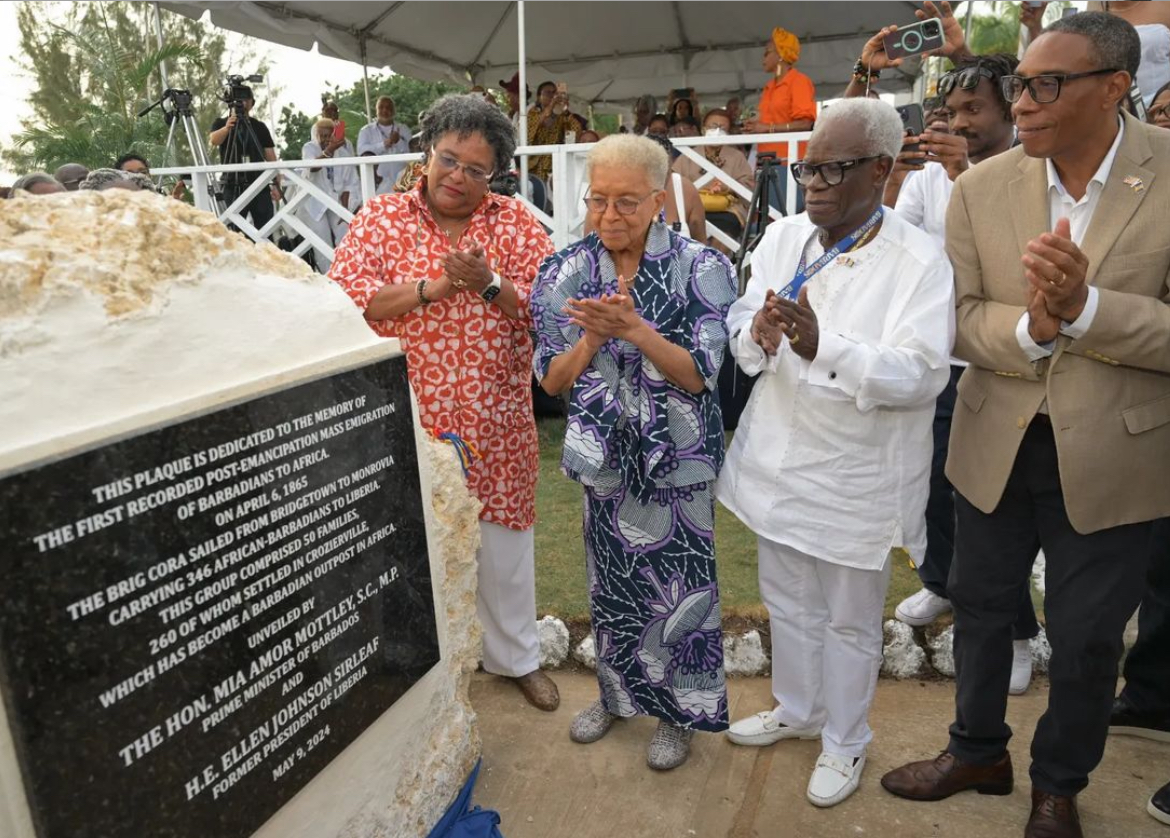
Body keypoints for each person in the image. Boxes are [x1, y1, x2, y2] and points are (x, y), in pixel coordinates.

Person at [880, 14, 1170, 838]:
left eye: (1048, 84)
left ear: (1114, 87)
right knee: (981, 607)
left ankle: (1057, 785)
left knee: (1083, 640)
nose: (1025, 103)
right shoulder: (980, 187)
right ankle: (975, 750)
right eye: (1020, 86)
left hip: (1118, 451)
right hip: (995, 437)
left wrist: (1088, 311)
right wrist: (1035, 330)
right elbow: (959, 321)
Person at [717, 98, 954, 809]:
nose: (814, 184)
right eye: (809, 168)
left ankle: (845, 740)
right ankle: (798, 710)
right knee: (787, 603)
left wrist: (827, 347)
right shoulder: (786, 236)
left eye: (833, 169)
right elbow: (740, 316)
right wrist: (755, 332)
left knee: (850, 621)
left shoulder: (918, 260)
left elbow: (921, 373)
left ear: (881, 170)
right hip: (777, 463)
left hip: (857, 475)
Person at [329, 94, 560, 713]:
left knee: (504, 545)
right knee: (406, 545)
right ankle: (413, 668)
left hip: (496, 418)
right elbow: (350, 302)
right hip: (405, 420)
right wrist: (435, 288)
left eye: (476, 169)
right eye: (449, 160)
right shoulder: (379, 220)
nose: (458, 177)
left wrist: (488, 283)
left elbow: (547, 310)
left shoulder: (514, 223)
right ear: (427, 151)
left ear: (497, 174)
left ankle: (516, 659)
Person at [530, 133, 736, 771]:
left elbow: (699, 375)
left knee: (682, 591)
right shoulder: (565, 270)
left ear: (657, 201)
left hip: (677, 458)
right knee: (612, 586)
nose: (609, 216)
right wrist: (592, 341)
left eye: (626, 202)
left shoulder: (703, 268)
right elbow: (552, 381)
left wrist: (635, 329)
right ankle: (616, 698)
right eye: (598, 200)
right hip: (606, 459)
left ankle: (680, 715)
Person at [877, 54, 1043, 695]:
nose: (960, 122)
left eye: (975, 110)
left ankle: (1017, 634)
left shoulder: (1035, 169)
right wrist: (891, 186)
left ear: (1010, 109)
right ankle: (940, 583)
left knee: (995, 506)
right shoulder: (926, 179)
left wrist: (963, 172)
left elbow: (1017, 252)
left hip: (1002, 361)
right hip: (936, 355)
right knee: (926, 488)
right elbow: (909, 248)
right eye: (951, 112)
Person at [743, 25, 816, 208]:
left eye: (767, 53)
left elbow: (806, 123)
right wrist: (756, 126)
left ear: (781, 55)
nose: (763, 58)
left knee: (784, 215)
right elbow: (771, 121)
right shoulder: (769, 86)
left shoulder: (799, 81)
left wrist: (767, 128)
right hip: (766, 161)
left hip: (788, 162)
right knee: (767, 218)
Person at [671, 108, 754, 241]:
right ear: (703, 129)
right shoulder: (689, 154)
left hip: (727, 209)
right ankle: (698, 260)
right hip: (693, 208)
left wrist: (727, 188)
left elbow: (749, 185)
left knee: (728, 227)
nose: (717, 130)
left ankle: (716, 261)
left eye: (722, 128)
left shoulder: (736, 156)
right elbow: (672, 182)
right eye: (713, 126)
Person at [208, 87, 280, 232]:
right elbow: (214, 140)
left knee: (266, 231)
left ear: (252, 103)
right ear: (230, 103)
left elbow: (271, 158)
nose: (242, 103)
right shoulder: (221, 123)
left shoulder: (259, 126)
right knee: (230, 231)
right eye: (238, 100)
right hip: (231, 182)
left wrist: (277, 185)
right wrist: (227, 128)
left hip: (259, 184)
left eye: (245, 100)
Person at [298, 117, 357, 272]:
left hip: (335, 201)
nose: (324, 139)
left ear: (334, 135)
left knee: (345, 234)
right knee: (322, 242)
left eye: (327, 135)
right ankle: (327, 278)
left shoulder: (343, 154)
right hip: (313, 202)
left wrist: (344, 211)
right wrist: (328, 151)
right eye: (321, 136)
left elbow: (349, 183)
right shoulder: (309, 148)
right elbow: (311, 168)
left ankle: (347, 273)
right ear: (316, 135)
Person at [357, 96, 412, 196]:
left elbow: (412, 153)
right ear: (376, 110)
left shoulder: (403, 129)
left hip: (402, 183)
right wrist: (383, 145)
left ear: (394, 111)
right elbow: (361, 152)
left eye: (388, 108)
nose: (385, 110)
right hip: (378, 185)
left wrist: (399, 141)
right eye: (381, 107)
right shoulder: (366, 131)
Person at [526, 81, 574, 182]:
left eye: (554, 93)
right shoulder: (533, 112)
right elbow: (541, 122)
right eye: (548, 93)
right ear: (539, 97)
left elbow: (574, 131)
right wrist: (553, 103)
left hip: (556, 166)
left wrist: (564, 108)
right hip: (536, 167)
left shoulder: (561, 115)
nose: (552, 95)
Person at [114, 152, 186, 199]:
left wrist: (172, 208)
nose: (137, 177)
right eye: (129, 174)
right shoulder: (109, 205)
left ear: (149, 176)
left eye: (142, 172)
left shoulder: (160, 201)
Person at [499, 71, 530, 139]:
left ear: (518, 96)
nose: (507, 100)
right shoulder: (515, 115)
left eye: (509, 96)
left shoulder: (531, 111)